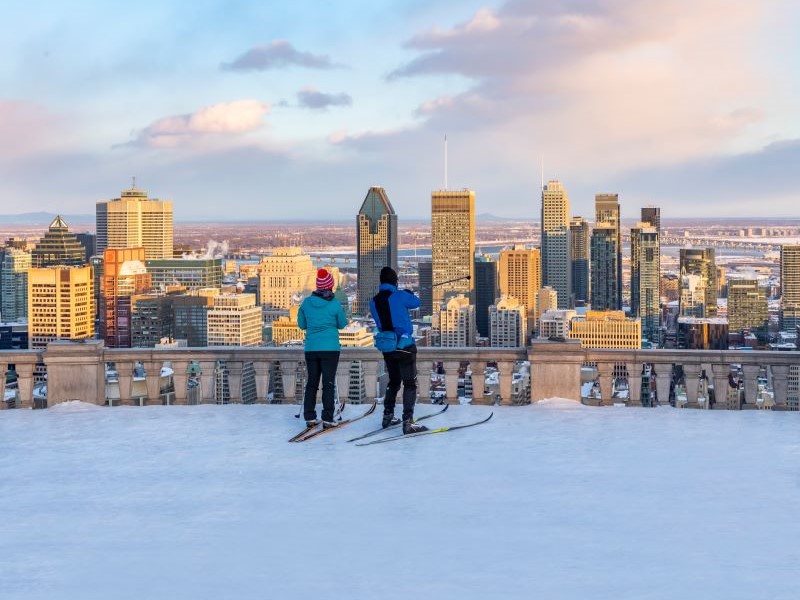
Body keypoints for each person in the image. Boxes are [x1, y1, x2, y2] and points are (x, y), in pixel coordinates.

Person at [370, 266, 428, 434]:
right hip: (404, 346)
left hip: (388, 347)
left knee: (394, 381)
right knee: (409, 384)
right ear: (395, 281)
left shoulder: (373, 301)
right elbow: (416, 302)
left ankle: (387, 416)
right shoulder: (400, 296)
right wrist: (408, 293)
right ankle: (408, 422)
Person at [298, 268, 348, 428]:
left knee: (312, 382)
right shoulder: (334, 304)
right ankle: (327, 418)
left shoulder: (306, 303)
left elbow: (302, 324)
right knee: (328, 383)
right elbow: (342, 324)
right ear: (330, 287)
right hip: (330, 349)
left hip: (311, 348)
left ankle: (310, 417)